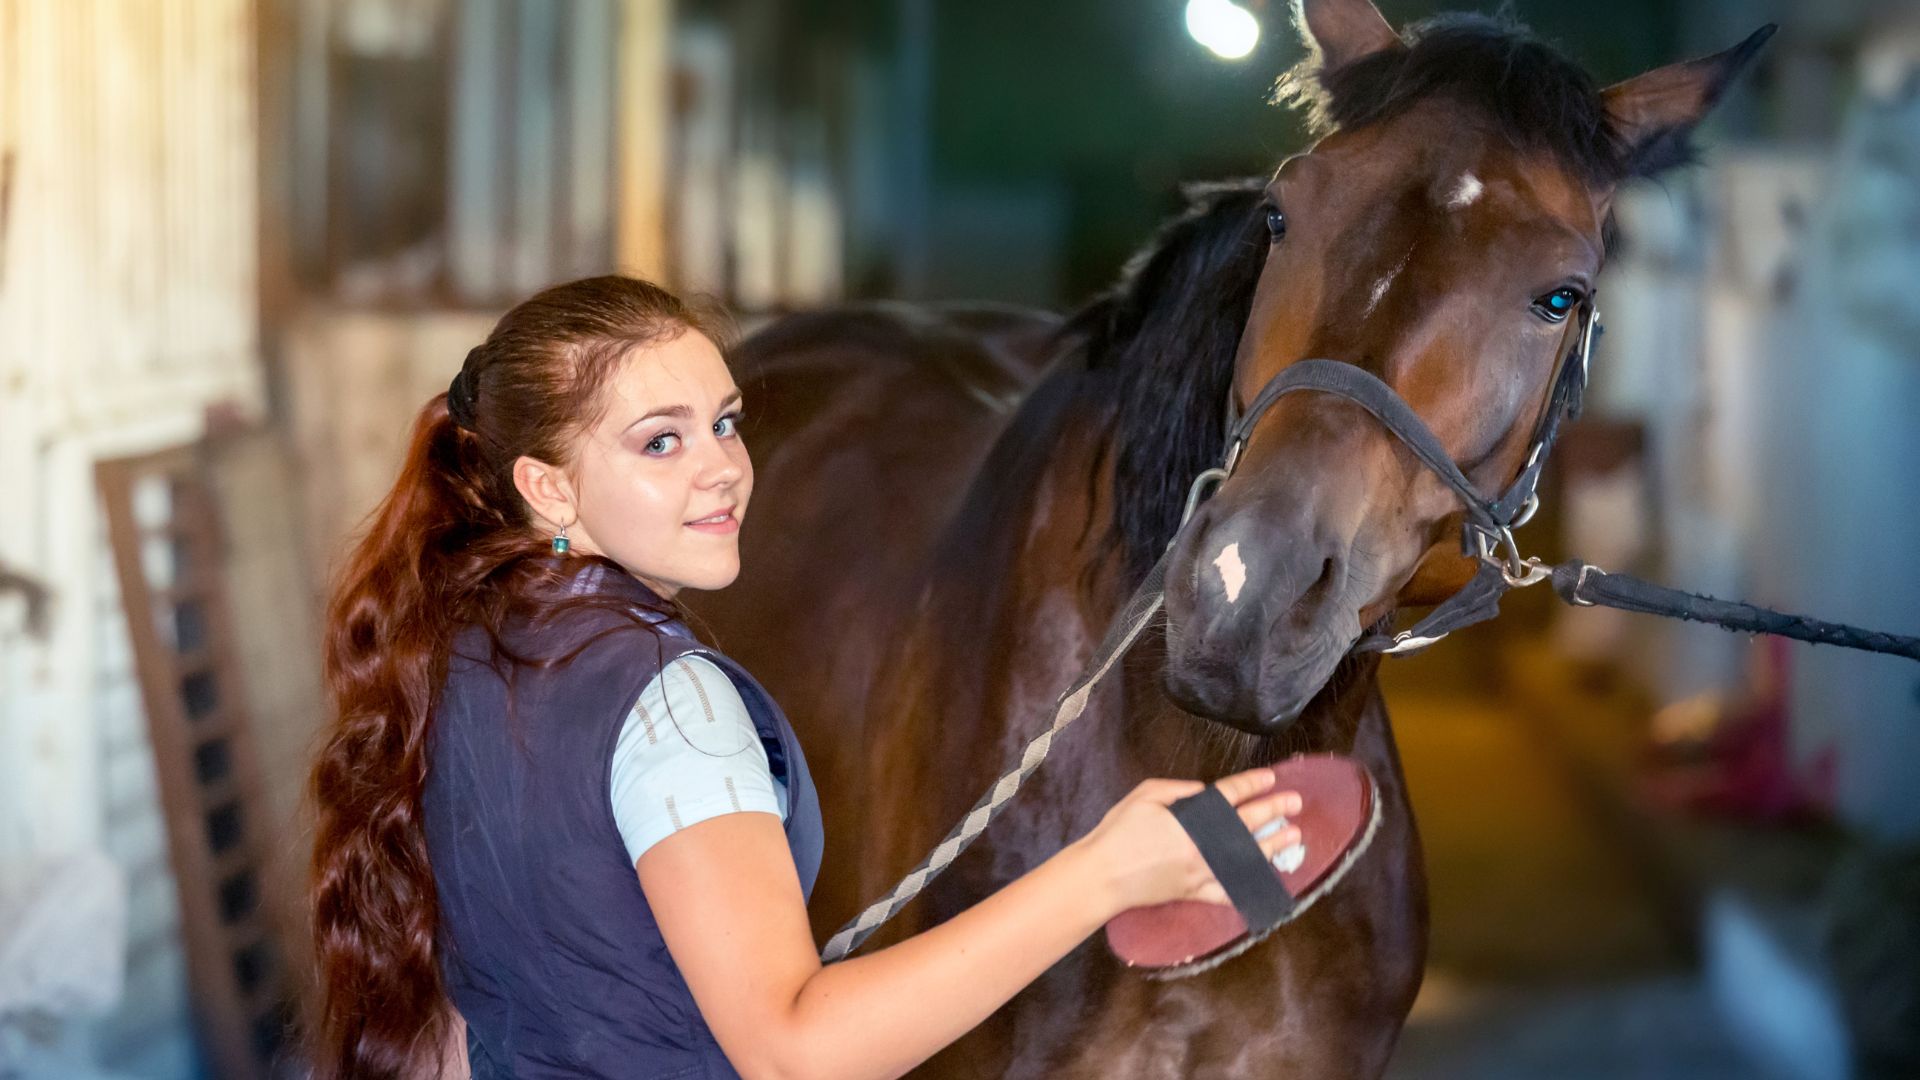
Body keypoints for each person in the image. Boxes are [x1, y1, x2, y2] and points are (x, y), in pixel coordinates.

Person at [307, 276, 1303, 1080]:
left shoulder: (460, 644)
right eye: (661, 441)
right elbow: (794, 1049)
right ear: (550, 485)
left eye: (726, 423)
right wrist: (1105, 872)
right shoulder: (671, 701)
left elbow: (473, 1005)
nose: (725, 469)